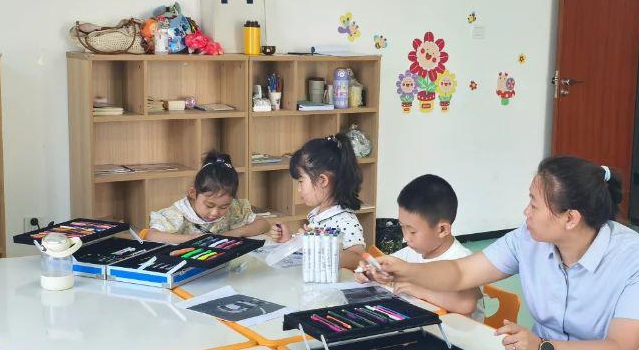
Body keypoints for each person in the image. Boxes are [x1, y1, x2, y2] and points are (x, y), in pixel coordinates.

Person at [366, 156, 639, 350]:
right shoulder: (528, 238)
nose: (526, 212)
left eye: (534, 204)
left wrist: (541, 348)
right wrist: (406, 271)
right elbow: (461, 272)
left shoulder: (638, 258)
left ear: (570, 218)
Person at [360, 174, 481, 317]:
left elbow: (466, 304)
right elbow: (385, 269)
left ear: (442, 230)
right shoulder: (411, 251)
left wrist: (420, 291)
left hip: (457, 330)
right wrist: (369, 272)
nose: (405, 237)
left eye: (412, 231)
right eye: (402, 227)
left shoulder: (462, 259)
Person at [269, 134, 364, 270]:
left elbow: (358, 259)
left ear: (322, 180)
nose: (299, 189)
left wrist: (319, 248)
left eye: (301, 181)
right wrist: (289, 240)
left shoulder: (345, 221)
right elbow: (308, 250)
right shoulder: (319, 213)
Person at [146, 151, 270, 244]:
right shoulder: (178, 213)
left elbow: (263, 224)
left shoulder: (234, 209)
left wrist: (233, 233)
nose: (215, 212)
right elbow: (151, 235)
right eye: (209, 205)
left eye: (224, 206)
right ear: (193, 193)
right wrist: (190, 238)